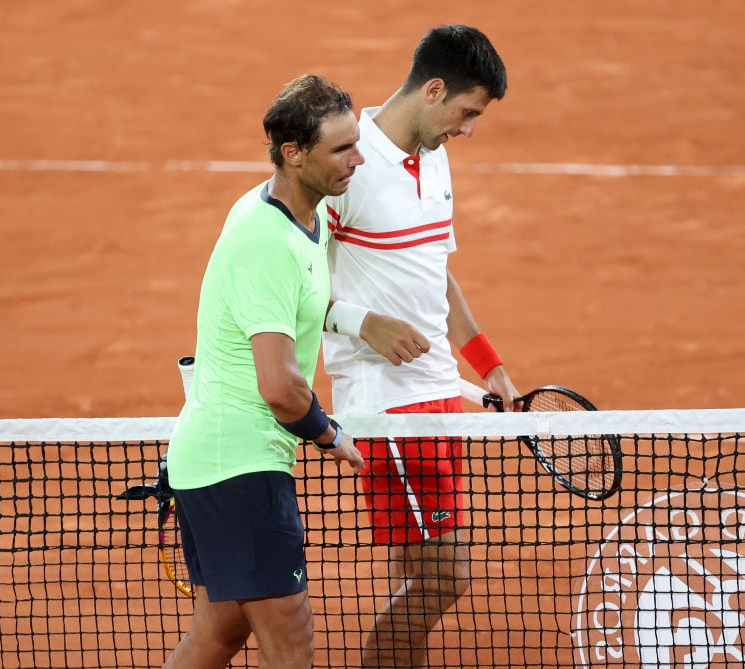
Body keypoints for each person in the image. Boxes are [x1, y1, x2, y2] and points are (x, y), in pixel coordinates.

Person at [322, 24, 519, 668]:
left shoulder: (435, 157)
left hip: (439, 397)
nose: (467, 129)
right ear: (433, 90)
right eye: (465, 112)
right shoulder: (346, 164)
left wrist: (488, 366)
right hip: (387, 407)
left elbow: (440, 273)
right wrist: (361, 323)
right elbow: (288, 288)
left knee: (414, 576)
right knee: (445, 578)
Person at [163, 74, 366, 669]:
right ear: (293, 153)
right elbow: (278, 387)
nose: (357, 160)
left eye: (355, 143)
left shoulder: (307, 214)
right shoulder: (265, 240)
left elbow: (294, 304)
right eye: (341, 149)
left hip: (222, 459)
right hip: (239, 464)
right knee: (292, 642)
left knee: (218, 634)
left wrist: (359, 322)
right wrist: (330, 437)